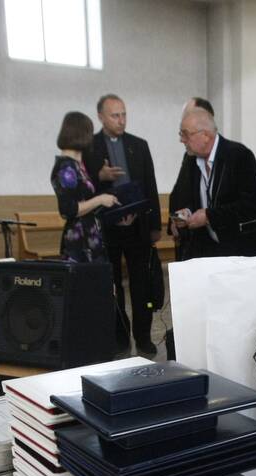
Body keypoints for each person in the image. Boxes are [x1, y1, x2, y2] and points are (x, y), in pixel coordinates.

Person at [82, 94, 161, 357]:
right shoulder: (89, 148)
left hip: (137, 227)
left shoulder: (139, 145)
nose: (121, 120)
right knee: (112, 286)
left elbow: (150, 184)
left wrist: (154, 225)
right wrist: (99, 175)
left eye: (124, 114)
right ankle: (120, 337)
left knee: (142, 286)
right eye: (115, 115)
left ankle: (144, 338)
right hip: (106, 230)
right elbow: (82, 190)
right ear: (101, 117)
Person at [168, 108, 256, 259]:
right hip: (216, 251)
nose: (181, 140)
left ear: (205, 135)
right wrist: (188, 212)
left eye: (185, 134)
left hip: (249, 250)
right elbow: (195, 198)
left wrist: (208, 216)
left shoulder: (239, 155)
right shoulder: (191, 159)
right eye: (181, 134)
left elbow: (251, 205)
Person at [51, 111, 117, 264]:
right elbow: (69, 210)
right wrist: (100, 199)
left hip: (89, 234)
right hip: (79, 239)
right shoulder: (66, 167)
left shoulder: (76, 164)